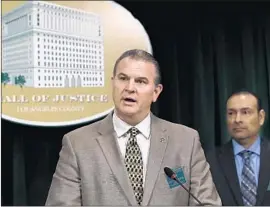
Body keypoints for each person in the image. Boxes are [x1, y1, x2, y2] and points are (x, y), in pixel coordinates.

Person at [46, 49, 221, 206]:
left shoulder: (185, 141)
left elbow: (207, 203)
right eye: (123, 79)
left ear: (156, 92)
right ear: (113, 83)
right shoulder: (78, 143)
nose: (130, 88)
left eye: (141, 81)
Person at [206, 90, 270, 206]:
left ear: (261, 117)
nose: (237, 119)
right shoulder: (209, 161)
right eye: (231, 113)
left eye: (245, 112)